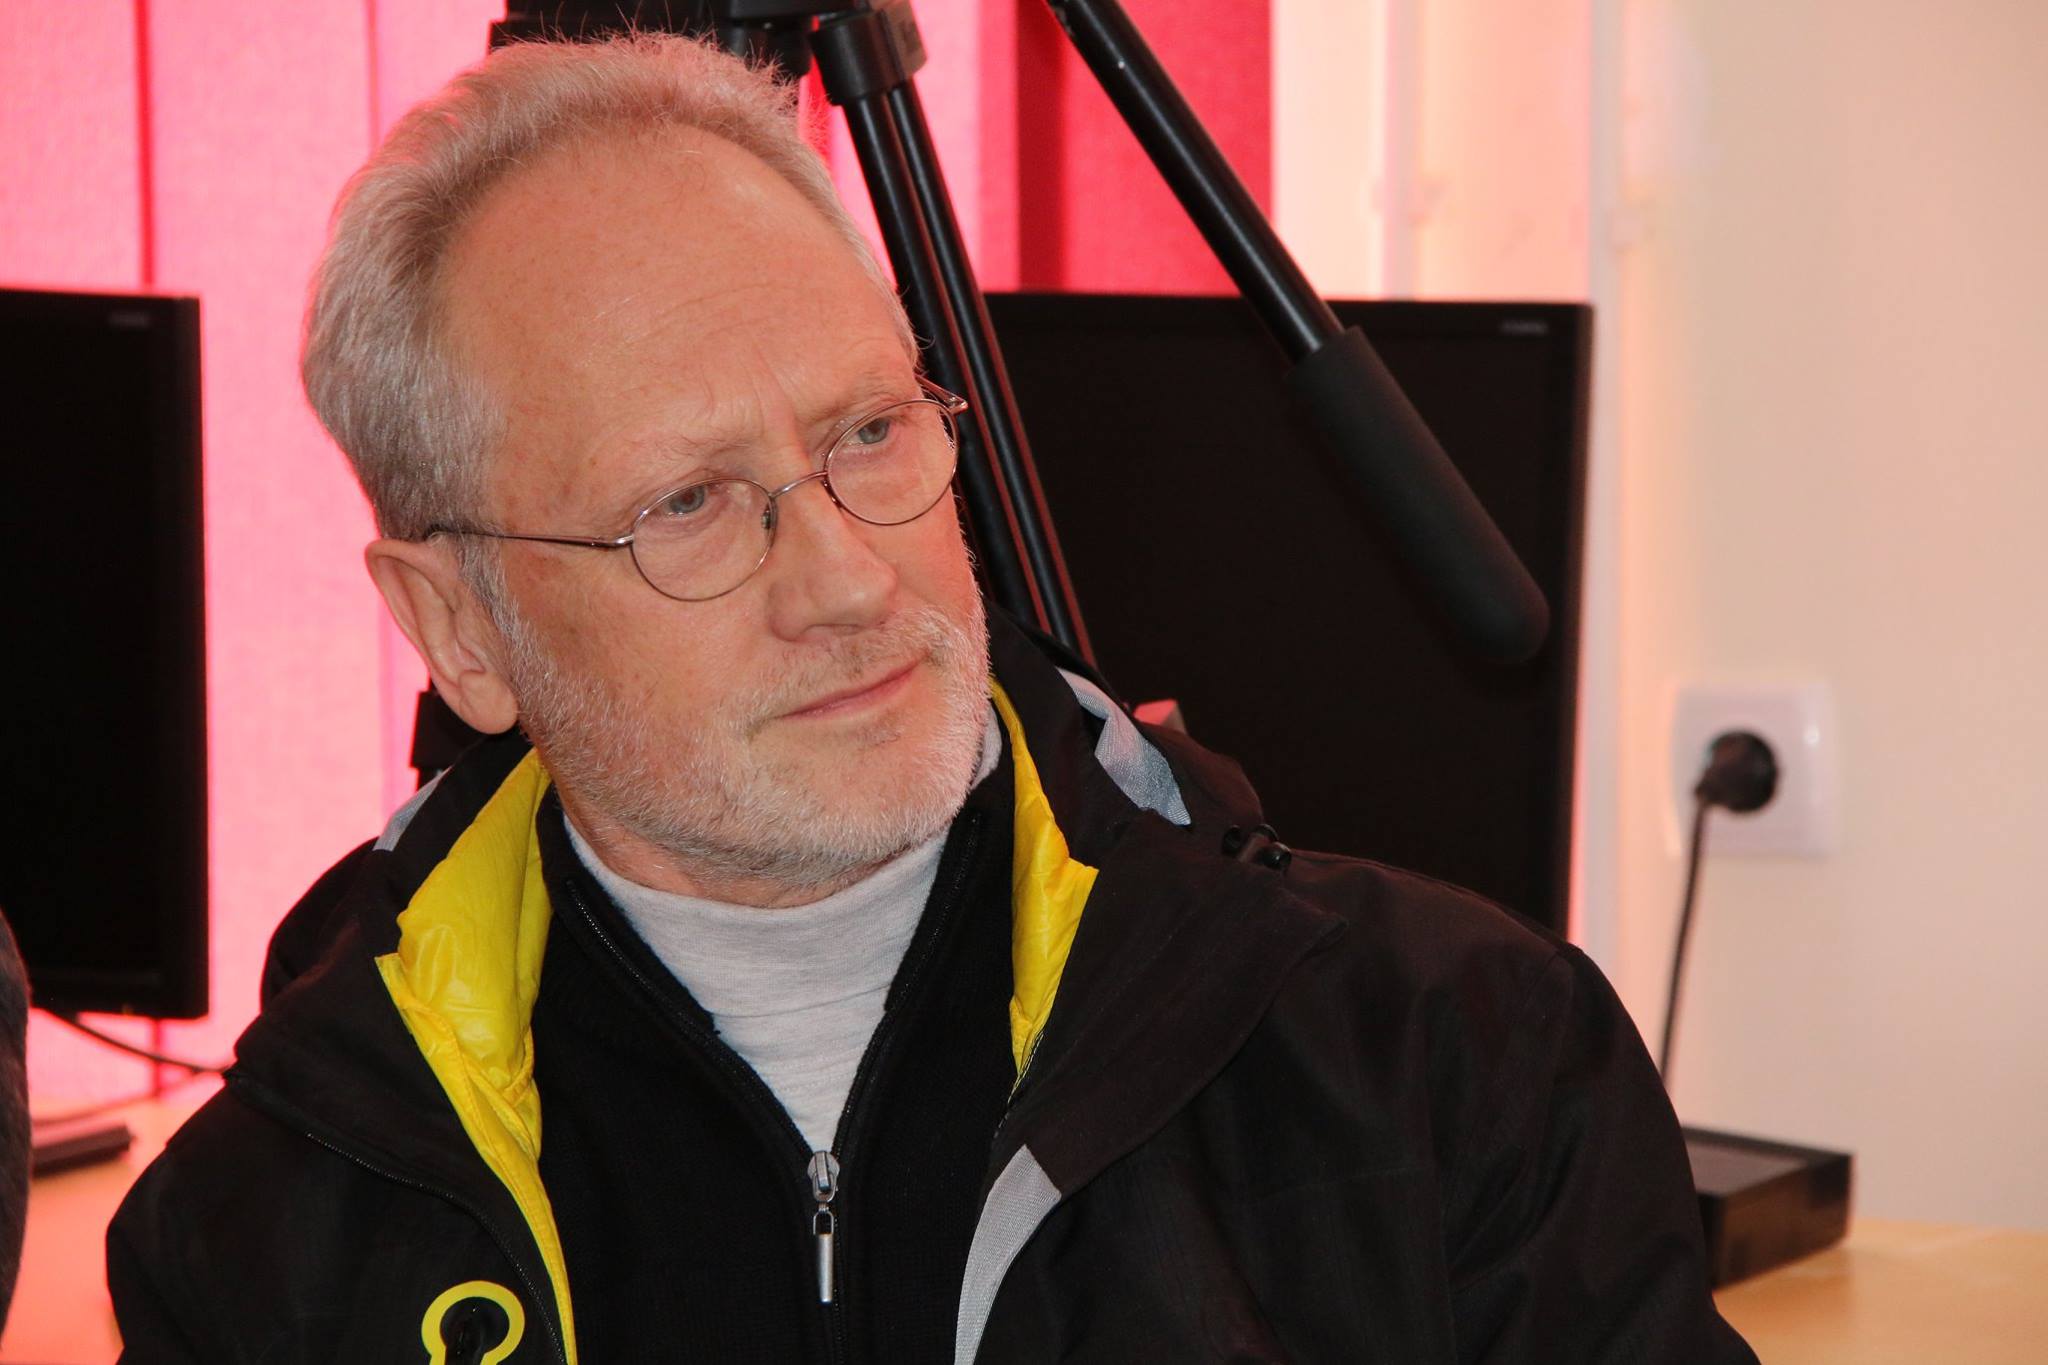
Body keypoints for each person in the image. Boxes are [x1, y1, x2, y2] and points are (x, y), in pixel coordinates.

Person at [107, 33, 1756, 1365]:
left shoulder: (1459, 1066)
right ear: (457, 625)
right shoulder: (258, 1236)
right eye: (688, 502)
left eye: (871, 433)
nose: (846, 580)